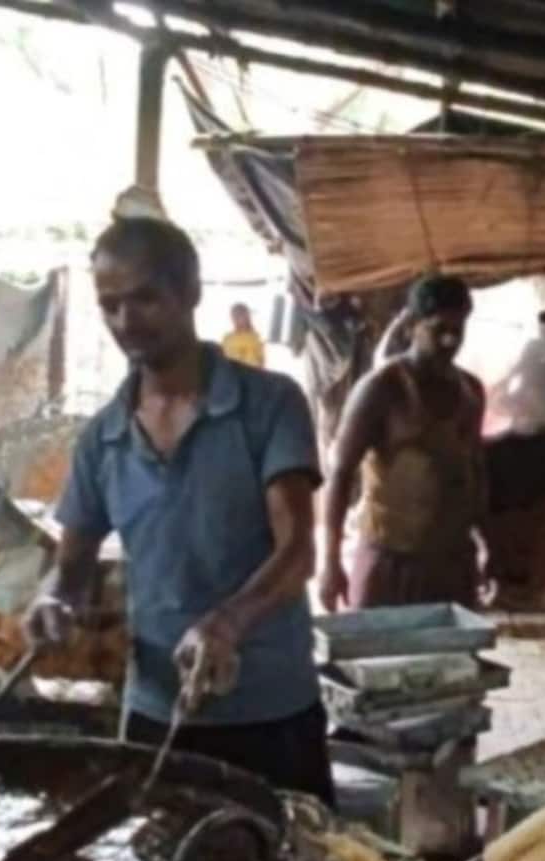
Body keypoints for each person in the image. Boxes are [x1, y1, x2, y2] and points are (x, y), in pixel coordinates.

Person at [29, 216, 333, 803]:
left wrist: (227, 623)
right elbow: (73, 568)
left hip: (270, 711)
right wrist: (52, 600)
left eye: (145, 298)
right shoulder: (103, 437)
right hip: (156, 716)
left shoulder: (268, 405)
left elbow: (298, 552)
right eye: (110, 305)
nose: (126, 322)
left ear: (190, 291)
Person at [319, 274, 494, 613]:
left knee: (452, 664)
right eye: (438, 329)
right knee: (378, 661)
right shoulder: (381, 389)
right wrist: (330, 562)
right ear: (412, 324)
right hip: (389, 562)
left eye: (458, 330)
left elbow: (475, 470)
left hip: (452, 563)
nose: (449, 341)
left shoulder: (471, 392)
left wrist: (488, 545)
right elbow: (340, 474)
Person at [222, 301, 266, 368]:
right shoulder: (227, 338)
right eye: (234, 316)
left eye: (239, 315)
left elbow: (259, 362)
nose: (235, 319)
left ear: (247, 316)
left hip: (249, 373)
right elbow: (224, 359)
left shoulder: (255, 337)